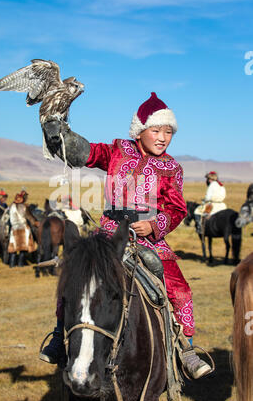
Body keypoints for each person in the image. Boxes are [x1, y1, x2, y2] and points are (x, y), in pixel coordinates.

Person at [39, 92, 212, 380]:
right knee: (75, 279)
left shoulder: (172, 168)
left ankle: (187, 349)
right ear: (139, 131)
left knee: (180, 289)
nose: (163, 137)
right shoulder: (118, 150)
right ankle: (59, 336)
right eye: (156, 130)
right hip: (109, 233)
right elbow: (86, 152)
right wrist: (62, 133)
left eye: (168, 132)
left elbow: (178, 208)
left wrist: (156, 224)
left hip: (149, 239)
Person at [8, 189, 39, 267]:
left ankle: (12, 265)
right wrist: (36, 223)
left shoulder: (11, 206)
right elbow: (29, 217)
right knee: (23, 248)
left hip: (14, 230)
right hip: (24, 229)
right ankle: (20, 264)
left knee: (13, 249)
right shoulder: (24, 207)